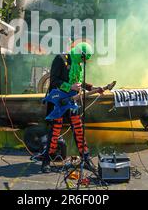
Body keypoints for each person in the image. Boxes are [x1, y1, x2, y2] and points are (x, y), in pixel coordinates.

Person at [41, 42, 103, 173]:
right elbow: (54, 81)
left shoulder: (77, 64)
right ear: (78, 53)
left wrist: (94, 88)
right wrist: (70, 87)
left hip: (72, 102)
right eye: (83, 58)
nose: (84, 61)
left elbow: (79, 83)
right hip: (58, 101)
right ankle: (46, 161)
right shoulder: (60, 59)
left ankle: (86, 159)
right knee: (55, 131)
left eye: (85, 59)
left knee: (79, 130)